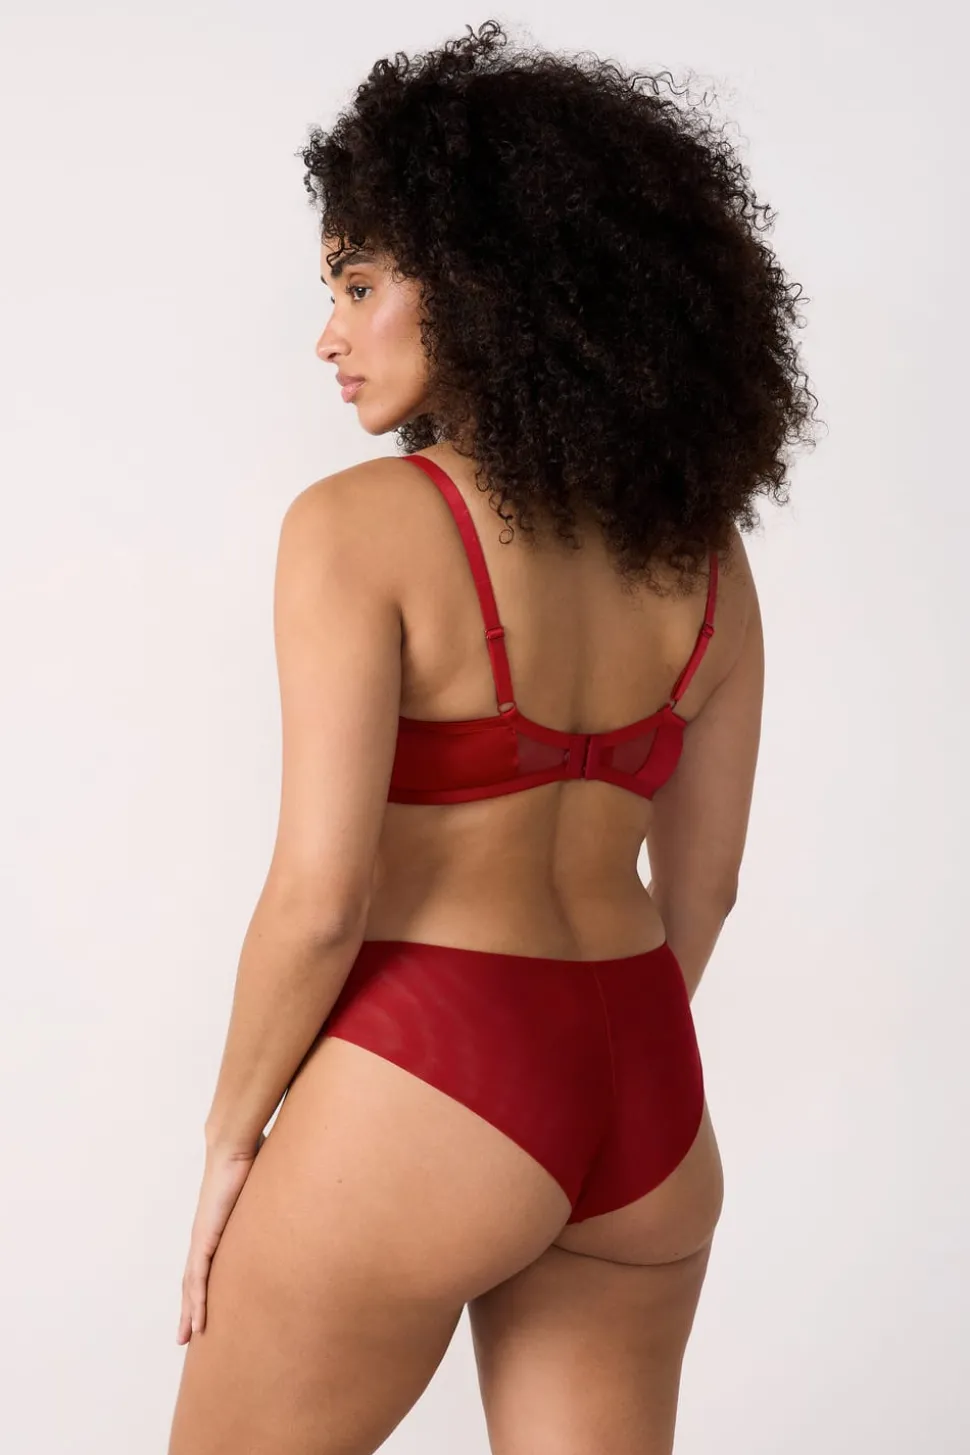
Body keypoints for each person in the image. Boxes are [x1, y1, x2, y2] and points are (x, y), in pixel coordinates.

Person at [167, 19, 817, 1455]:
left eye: (359, 284)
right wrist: (583, 1070)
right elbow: (704, 886)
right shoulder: (706, 557)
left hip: (430, 1067)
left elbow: (320, 896)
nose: (329, 335)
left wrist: (228, 1144)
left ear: (481, 284)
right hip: (644, 1094)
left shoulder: (358, 527)